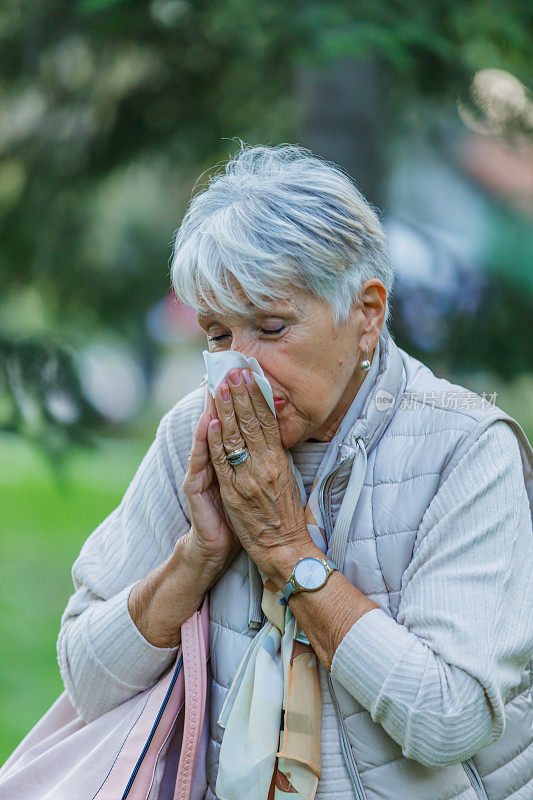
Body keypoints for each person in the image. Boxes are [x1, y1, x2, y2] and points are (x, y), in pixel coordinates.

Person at [57, 143, 533, 800]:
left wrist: (287, 552)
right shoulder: (194, 434)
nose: (239, 366)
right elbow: (87, 679)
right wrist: (196, 557)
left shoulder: (465, 447)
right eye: (219, 335)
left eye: (271, 326)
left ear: (365, 313)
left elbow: (450, 721)